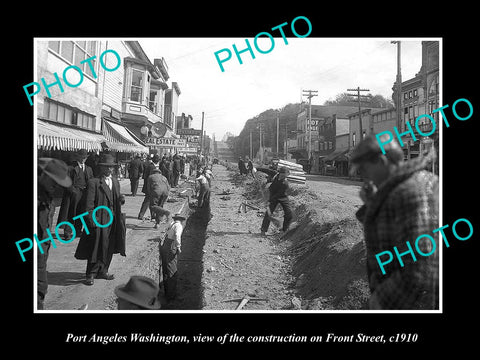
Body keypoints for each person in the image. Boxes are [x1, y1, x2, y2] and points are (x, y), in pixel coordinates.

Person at [350, 134, 439, 310]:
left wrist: (383, 300)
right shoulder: (403, 188)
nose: (364, 177)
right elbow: (387, 229)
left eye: (364, 170)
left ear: (382, 161)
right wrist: (374, 202)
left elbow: (420, 267)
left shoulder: (411, 193)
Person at [74, 153, 126, 286]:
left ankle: (104, 270)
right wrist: (93, 221)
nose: (109, 169)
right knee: (95, 247)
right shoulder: (94, 183)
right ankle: (90, 274)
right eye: (106, 167)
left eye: (111, 167)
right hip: (99, 220)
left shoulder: (115, 181)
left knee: (109, 246)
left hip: (113, 219)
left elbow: (115, 197)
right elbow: (88, 206)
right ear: (101, 168)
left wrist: (121, 198)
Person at [37, 158, 72, 310]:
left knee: (41, 289)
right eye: (54, 182)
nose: (56, 186)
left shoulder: (46, 197)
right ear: (43, 176)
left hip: (41, 253)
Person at [57, 149, 93, 240]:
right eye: (81, 157)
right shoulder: (71, 168)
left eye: (84, 158)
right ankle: (67, 232)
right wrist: (72, 190)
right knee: (71, 212)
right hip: (73, 193)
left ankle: (77, 230)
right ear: (78, 157)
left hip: (84, 193)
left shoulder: (89, 169)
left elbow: (91, 182)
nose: (83, 159)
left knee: (81, 212)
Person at [160, 213, 185, 301]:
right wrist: (178, 247)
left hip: (165, 246)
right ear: (181, 220)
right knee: (172, 271)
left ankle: (167, 292)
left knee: (166, 270)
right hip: (171, 247)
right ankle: (172, 295)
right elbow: (177, 236)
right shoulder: (178, 226)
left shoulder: (171, 224)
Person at [260, 166, 293, 236]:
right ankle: (263, 230)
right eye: (282, 175)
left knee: (289, 213)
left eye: (285, 175)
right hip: (273, 195)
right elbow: (267, 170)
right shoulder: (275, 175)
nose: (283, 176)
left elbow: (278, 194)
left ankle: (284, 230)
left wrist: (269, 201)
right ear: (280, 173)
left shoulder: (285, 183)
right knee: (268, 213)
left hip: (282, 196)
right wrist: (256, 169)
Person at [138, 154, 160, 220]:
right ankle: (141, 215)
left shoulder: (150, 166)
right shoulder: (152, 167)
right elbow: (151, 178)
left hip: (148, 186)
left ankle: (152, 215)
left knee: (151, 201)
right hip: (150, 187)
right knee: (147, 201)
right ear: (156, 161)